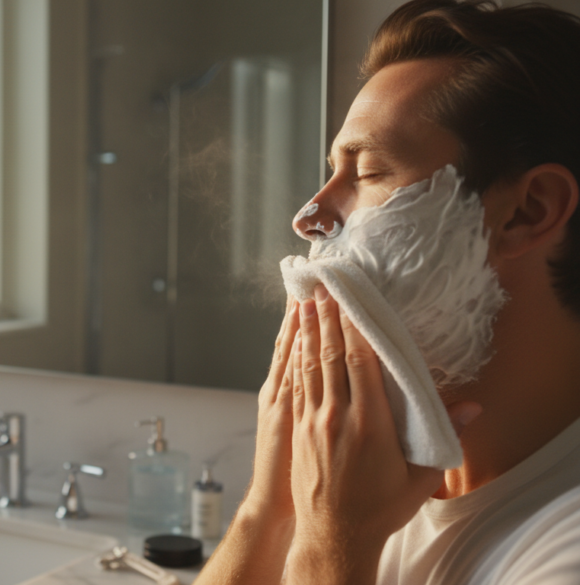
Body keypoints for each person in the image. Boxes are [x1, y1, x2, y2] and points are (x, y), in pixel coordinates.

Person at [194, 1, 580, 583]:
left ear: (528, 211)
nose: (309, 217)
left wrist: (332, 544)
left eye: (369, 172)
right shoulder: (360, 476)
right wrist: (267, 512)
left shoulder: (562, 546)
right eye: (330, 173)